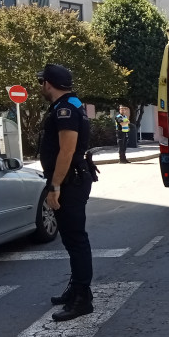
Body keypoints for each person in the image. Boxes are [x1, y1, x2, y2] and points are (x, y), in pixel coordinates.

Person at [38, 64, 95, 322]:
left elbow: (67, 150)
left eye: (42, 82)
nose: (40, 87)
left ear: (49, 83)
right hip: (74, 179)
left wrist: (55, 186)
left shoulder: (65, 109)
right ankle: (76, 289)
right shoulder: (74, 104)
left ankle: (82, 298)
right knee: (73, 240)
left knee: (75, 240)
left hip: (69, 182)